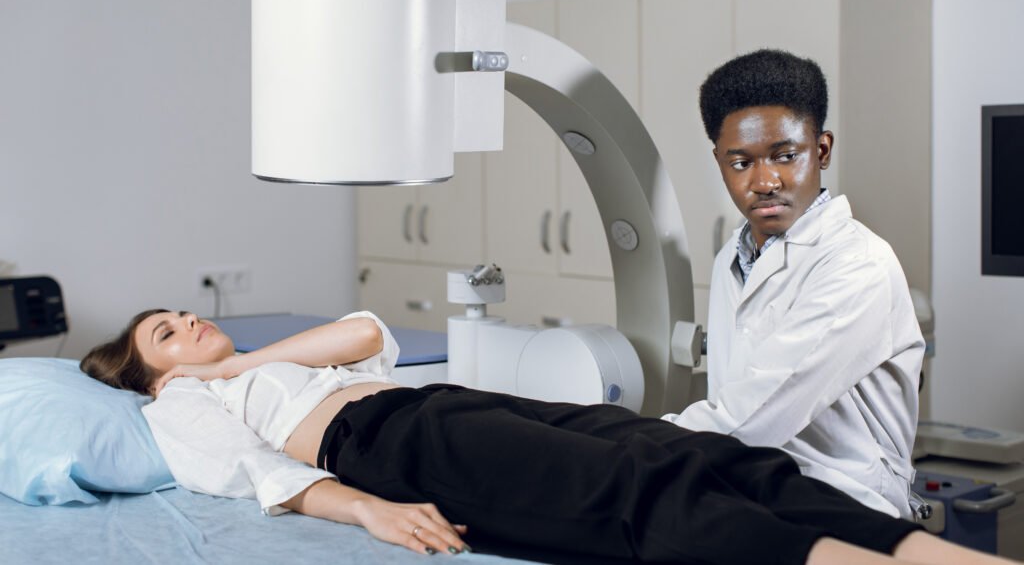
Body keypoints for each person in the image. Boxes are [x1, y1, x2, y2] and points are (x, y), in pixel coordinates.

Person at [79, 309, 1012, 565]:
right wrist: (369, 509)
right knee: (633, 496)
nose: (187, 323)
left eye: (182, 313)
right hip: (383, 445)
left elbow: (366, 329)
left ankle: (939, 556)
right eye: (166, 333)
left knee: (692, 451)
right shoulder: (178, 406)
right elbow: (245, 473)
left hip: (444, 403)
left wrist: (232, 362)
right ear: (154, 376)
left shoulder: (250, 365)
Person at [662, 49, 926, 519]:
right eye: (741, 163)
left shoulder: (857, 264)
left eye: (785, 156)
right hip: (757, 494)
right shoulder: (733, 258)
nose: (764, 182)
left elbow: (755, 414)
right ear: (719, 161)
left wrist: (624, 444)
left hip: (849, 508)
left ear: (821, 149)